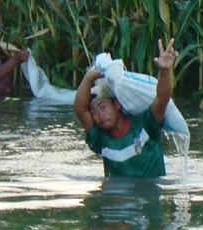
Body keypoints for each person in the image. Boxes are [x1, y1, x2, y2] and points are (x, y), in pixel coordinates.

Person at [73, 38, 178, 178]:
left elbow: (162, 98)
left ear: (117, 104)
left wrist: (164, 70)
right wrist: (88, 78)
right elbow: (80, 110)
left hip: (150, 195)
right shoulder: (101, 139)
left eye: (102, 107)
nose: (99, 115)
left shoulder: (145, 125)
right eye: (93, 113)